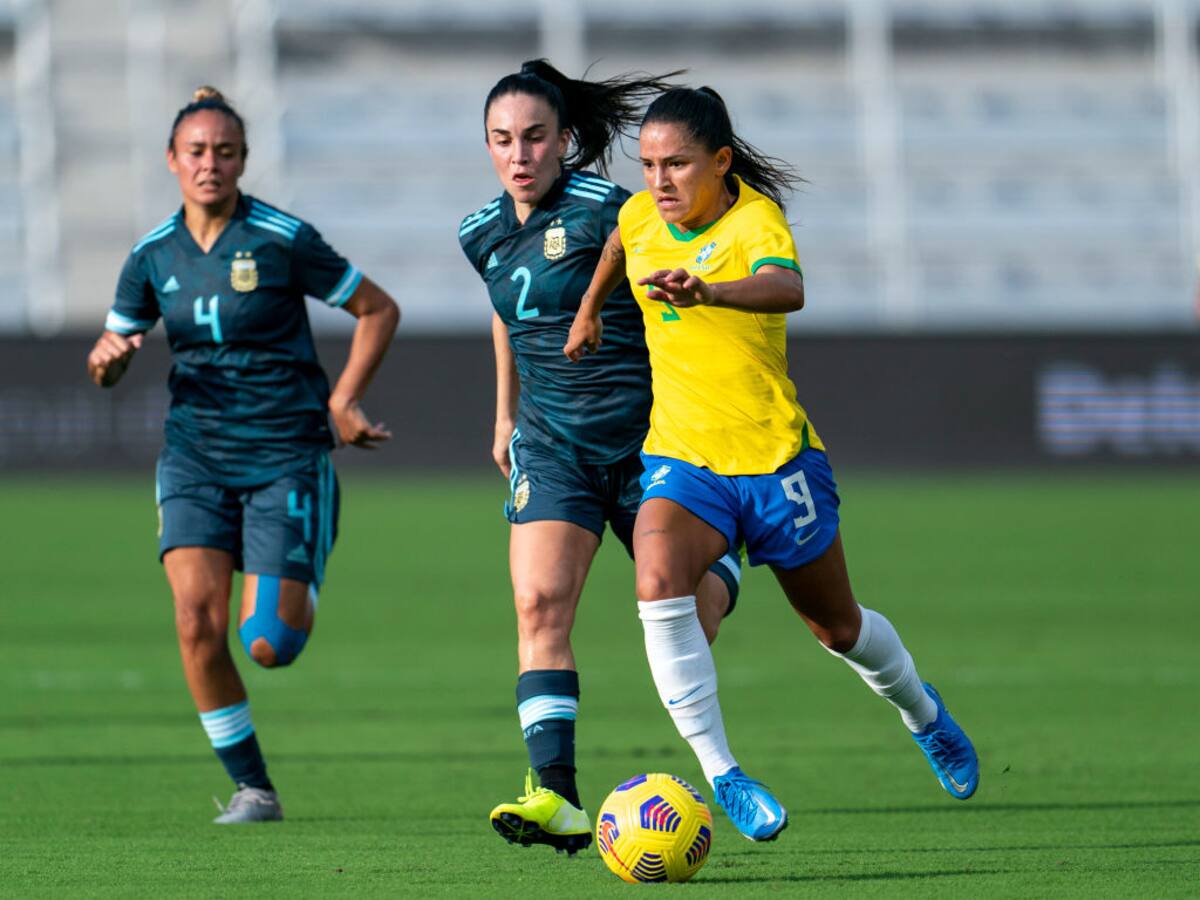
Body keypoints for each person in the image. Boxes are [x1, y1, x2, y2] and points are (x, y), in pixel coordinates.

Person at [564, 86, 979, 842]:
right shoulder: (639, 216)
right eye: (650, 164)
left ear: (721, 162)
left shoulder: (754, 219)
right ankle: (723, 772)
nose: (660, 181)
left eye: (678, 164)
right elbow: (619, 244)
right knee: (656, 582)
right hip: (684, 458)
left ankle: (924, 714)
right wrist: (591, 307)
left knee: (838, 628)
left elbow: (789, 287)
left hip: (776, 460)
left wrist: (710, 290)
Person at [86, 86, 399, 824]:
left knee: (268, 644)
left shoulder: (282, 238)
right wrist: (107, 359)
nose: (210, 165)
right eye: (196, 151)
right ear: (172, 160)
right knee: (197, 621)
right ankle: (254, 787)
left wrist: (342, 400)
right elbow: (111, 356)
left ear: (244, 160)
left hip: (286, 453)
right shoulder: (150, 256)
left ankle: (300, 561)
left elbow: (377, 309)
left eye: (225, 152)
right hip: (195, 455)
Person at [459, 61, 743, 855]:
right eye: (502, 140)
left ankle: (730, 556)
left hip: (652, 441)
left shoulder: (611, 211)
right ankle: (558, 795)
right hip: (553, 449)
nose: (519, 155)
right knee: (539, 607)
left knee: (694, 612)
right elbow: (505, 316)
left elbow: (679, 297)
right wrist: (504, 413)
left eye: (535, 138)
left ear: (567, 141)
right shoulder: (478, 231)